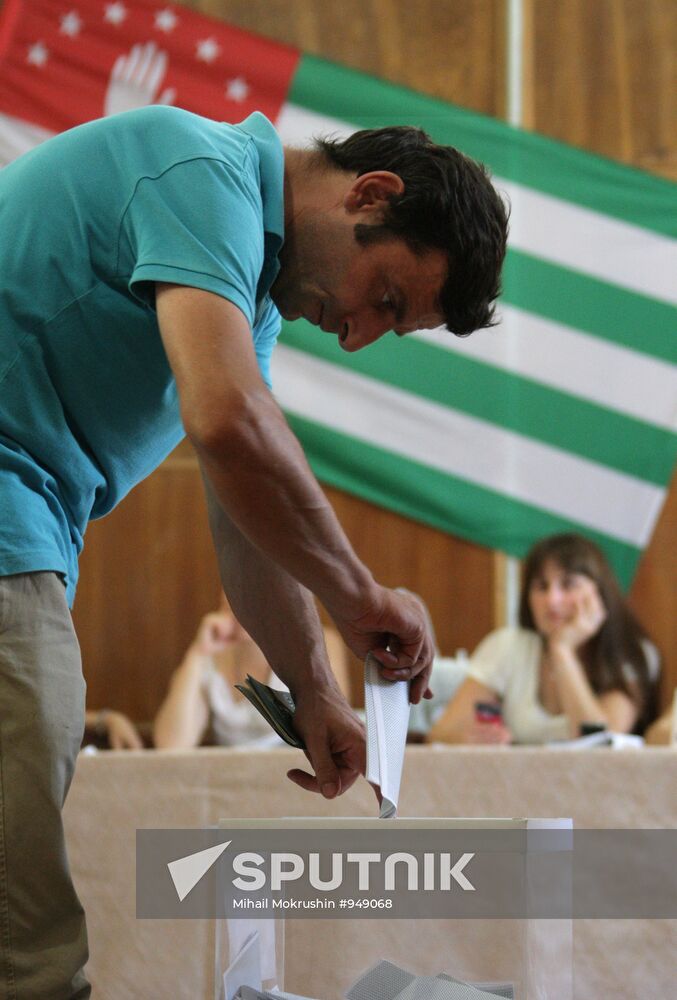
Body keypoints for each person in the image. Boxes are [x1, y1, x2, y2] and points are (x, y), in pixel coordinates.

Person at [0, 104, 508, 996]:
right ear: (370, 193)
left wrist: (314, 691)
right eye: (383, 298)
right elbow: (231, 424)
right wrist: (357, 595)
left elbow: (246, 512)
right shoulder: (197, 169)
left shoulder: (245, 295)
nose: (355, 334)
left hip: (29, 516)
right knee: (26, 942)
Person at [429, 533, 658, 745]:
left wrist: (561, 650)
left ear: (600, 592)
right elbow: (439, 735)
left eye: (568, 584)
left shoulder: (633, 652)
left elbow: (602, 743)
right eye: (541, 586)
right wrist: (473, 739)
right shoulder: (508, 645)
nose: (552, 600)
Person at [154, 594, 350, 748]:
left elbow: (332, 730)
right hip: (233, 782)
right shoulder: (211, 653)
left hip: (300, 777)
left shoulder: (316, 643)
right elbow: (171, 745)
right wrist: (197, 654)